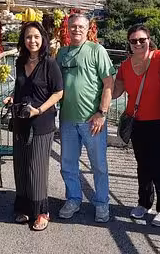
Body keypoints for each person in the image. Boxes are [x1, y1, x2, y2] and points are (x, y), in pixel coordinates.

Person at [112, 24, 160, 227]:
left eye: (142, 40)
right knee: (143, 165)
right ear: (129, 44)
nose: (138, 44)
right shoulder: (125, 66)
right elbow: (115, 92)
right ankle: (144, 203)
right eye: (133, 41)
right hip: (136, 121)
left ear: (149, 40)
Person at [56, 13, 115, 223]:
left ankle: (102, 203)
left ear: (88, 28)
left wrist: (102, 113)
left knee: (98, 165)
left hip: (93, 121)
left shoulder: (96, 50)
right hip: (68, 120)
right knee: (68, 164)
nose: (76, 30)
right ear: (68, 28)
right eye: (73, 26)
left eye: (81, 26)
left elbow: (109, 83)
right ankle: (73, 199)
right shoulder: (62, 53)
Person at [9, 22, 64, 231]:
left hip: (41, 122)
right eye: (28, 37)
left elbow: (58, 93)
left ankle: (41, 211)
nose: (32, 41)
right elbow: (19, 88)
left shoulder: (49, 63)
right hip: (20, 120)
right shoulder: (20, 62)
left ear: (43, 40)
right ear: (23, 41)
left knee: (36, 167)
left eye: (36, 37)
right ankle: (23, 207)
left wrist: (39, 110)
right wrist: (12, 98)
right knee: (21, 165)